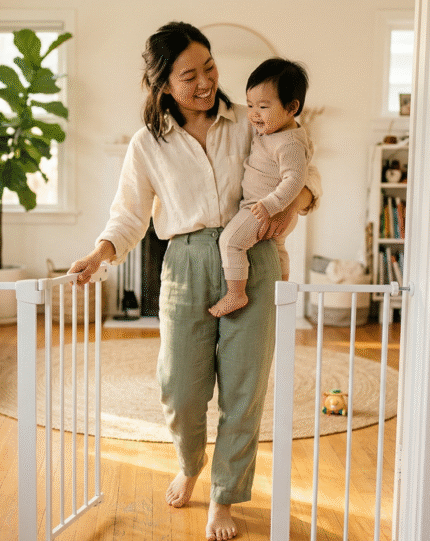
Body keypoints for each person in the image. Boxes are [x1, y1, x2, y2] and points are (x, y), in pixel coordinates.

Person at [68, 22, 316, 541]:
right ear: (163, 86)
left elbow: (306, 174)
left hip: (253, 256)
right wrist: (99, 254)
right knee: (179, 388)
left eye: (209, 67)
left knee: (243, 392)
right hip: (182, 262)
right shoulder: (147, 144)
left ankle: (224, 497)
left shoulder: (251, 120)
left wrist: (294, 203)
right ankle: (189, 461)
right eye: (189, 75)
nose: (205, 82)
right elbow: (129, 215)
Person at [208, 58, 321, 317]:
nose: (253, 114)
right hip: (267, 208)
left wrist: (272, 205)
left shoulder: (289, 143)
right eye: (249, 105)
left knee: (231, 242)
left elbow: (295, 179)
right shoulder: (273, 130)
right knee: (279, 248)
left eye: (263, 106)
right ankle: (282, 291)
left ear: (291, 108)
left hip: (264, 208)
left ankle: (236, 294)